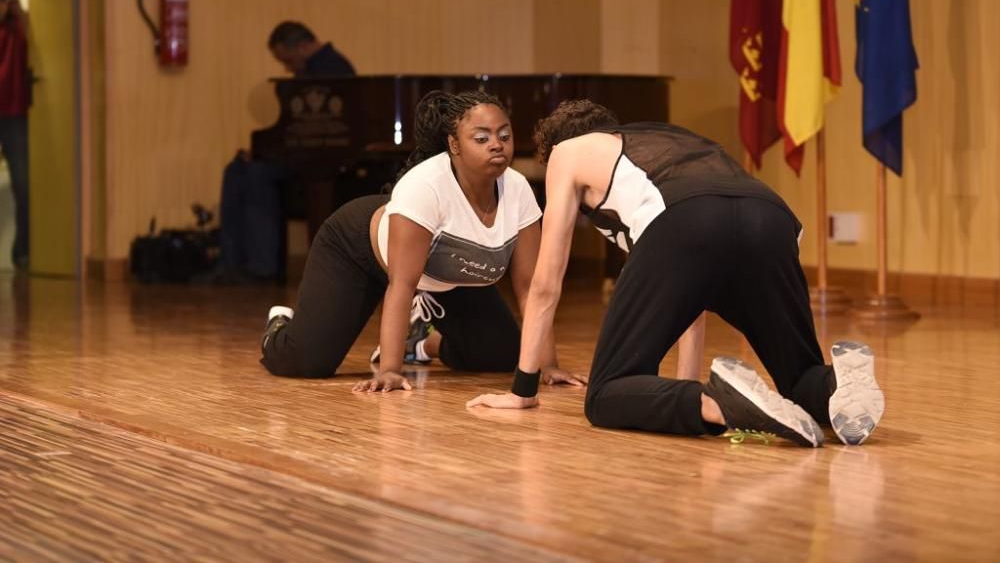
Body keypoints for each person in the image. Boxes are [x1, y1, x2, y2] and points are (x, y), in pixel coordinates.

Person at [468, 100, 885, 448]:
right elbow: (689, 293)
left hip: (686, 222)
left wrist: (522, 391)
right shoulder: (669, 142)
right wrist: (685, 384)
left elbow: (545, 282)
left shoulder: (568, 152)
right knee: (800, 380)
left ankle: (722, 405)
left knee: (607, 394)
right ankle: (835, 382)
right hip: (772, 220)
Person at [259, 90, 586, 392]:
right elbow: (401, 286)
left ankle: (422, 340)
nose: (496, 145)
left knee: (502, 355)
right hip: (358, 251)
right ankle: (280, 324)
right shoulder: (425, 188)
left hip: (446, 274)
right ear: (454, 145)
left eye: (504, 135)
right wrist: (389, 370)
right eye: (481, 138)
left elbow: (531, 289)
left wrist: (548, 365)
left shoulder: (518, 190)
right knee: (306, 363)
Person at [217, 22, 356, 283]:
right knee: (236, 169)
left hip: (320, 160)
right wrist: (263, 150)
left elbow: (321, 135)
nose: (287, 68)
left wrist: (266, 153)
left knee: (257, 173)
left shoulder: (333, 71)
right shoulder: (311, 71)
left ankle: (263, 267)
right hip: (302, 154)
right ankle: (231, 263)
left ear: (303, 47)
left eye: (288, 60)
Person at [0, 0, 30, 270]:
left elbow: (33, 45)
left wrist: (17, 10)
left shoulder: (18, 23)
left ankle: (23, 252)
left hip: (13, 114)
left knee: (24, 185)